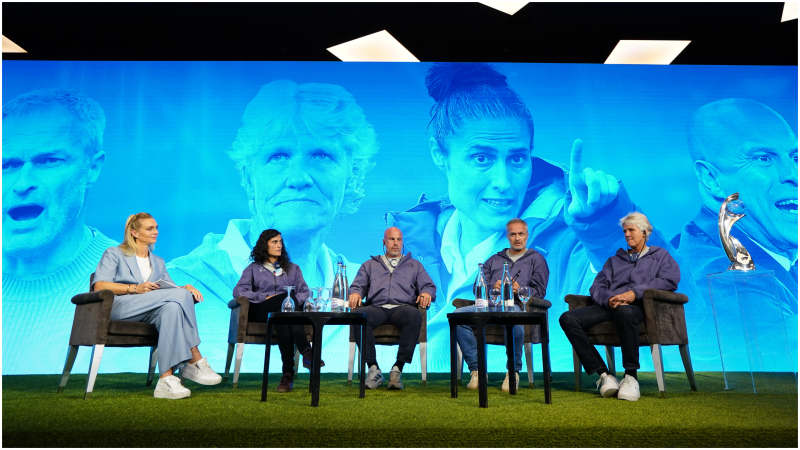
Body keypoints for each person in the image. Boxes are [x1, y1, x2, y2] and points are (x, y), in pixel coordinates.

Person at [388, 63, 651, 371]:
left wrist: (604, 228)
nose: (503, 181)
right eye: (482, 158)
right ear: (439, 153)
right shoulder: (413, 238)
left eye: (516, 158)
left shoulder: (570, 238)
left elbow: (648, 299)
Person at [167, 80, 378, 369]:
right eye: (278, 156)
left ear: (351, 177)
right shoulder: (184, 279)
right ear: (247, 178)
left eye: (321, 155)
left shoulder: (361, 286)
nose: (298, 178)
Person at [2, 89, 117, 374]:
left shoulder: (132, 276)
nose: (22, 183)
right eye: (8, 165)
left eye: (48, 161)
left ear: (92, 168)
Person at [672, 98, 797, 312]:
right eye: (764, 158)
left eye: (795, 157)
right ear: (712, 179)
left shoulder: (778, 254)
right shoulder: (715, 275)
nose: (793, 175)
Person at [93, 213, 222, 399]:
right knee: (178, 297)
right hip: (120, 308)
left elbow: (169, 290)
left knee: (172, 308)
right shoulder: (114, 253)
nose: (156, 232)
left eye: (156, 228)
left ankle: (166, 380)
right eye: (150, 228)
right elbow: (100, 285)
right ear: (134, 232)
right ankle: (194, 358)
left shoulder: (158, 262)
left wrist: (183, 287)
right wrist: (135, 288)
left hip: (151, 310)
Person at [560, 212, 680, 402]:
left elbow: (670, 280)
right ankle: (604, 375)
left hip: (640, 307)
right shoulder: (614, 261)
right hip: (610, 306)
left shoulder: (660, 256)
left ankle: (631, 376)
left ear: (644, 232)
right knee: (568, 318)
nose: (627, 235)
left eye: (631, 230)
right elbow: (597, 286)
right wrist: (609, 299)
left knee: (625, 312)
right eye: (624, 231)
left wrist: (634, 293)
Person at [454, 218, 549, 392]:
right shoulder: (494, 259)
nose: (517, 238)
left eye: (521, 234)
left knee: (514, 318)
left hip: (516, 307)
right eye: (513, 234)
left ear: (527, 235)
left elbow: (540, 291)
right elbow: (477, 288)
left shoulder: (536, 259)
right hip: (489, 307)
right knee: (460, 317)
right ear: (508, 236)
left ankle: (513, 372)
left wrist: (520, 289)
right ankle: (477, 370)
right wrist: (492, 288)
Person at [233, 229, 323, 393]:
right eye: (274, 242)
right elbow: (239, 291)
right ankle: (306, 351)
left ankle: (287, 375)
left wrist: (292, 300)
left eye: (280, 242)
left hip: (284, 314)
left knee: (284, 316)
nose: (279, 245)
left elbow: (305, 292)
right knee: (283, 304)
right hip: (262, 312)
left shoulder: (293, 269)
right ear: (264, 245)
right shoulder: (253, 269)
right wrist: (263, 297)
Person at [347, 227, 436, 390]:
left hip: (403, 308)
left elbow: (428, 286)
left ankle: (397, 369)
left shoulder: (414, 265)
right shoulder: (369, 265)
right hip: (377, 307)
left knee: (415, 315)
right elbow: (357, 286)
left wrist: (426, 293)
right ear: (384, 242)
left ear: (402, 242)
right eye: (391, 239)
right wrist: (355, 293)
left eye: (399, 239)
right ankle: (373, 369)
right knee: (358, 316)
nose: (395, 243)